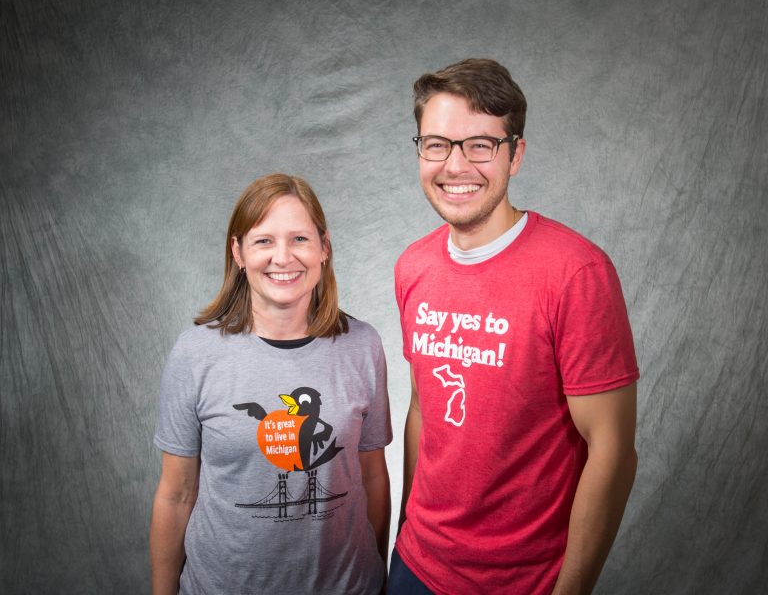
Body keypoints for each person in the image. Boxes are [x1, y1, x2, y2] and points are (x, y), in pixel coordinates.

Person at [389, 59, 639, 594]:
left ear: (516, 154)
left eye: (481, 144)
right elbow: (420, 409)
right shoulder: (413, 267)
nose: (456, 165)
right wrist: (404, 531)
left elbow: (612, 450)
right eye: (437, 144)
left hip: (523, 583)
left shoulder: (576, 273)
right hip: (415, 568)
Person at [150, 173, 392, 595]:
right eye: (264, 241)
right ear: (238, 252)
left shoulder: (362, 345)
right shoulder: (195, 354)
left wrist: (375, 579)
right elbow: (176, 495)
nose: (283, 257)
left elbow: (373, 476)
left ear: (324, 248)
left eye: (299, 239)